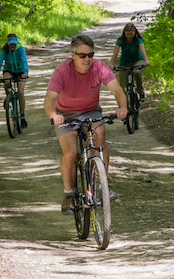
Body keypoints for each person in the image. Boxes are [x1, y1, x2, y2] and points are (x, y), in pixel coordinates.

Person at [45, 35, 128, 214]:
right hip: (65, 115)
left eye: (90, 55)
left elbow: (116, 89)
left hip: (91, 111)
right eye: (82, 55)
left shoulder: (99, 67)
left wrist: (122, 107)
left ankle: (102, 187)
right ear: (72, 55)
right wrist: (54, 115)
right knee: (71, 153)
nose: (87, 59)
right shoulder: (62, 71)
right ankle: (68, 194)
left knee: (99, 140)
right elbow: (50, 99)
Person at [0, 33, 29, 128]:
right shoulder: (5, 50)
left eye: (14, 43)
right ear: (7, 43)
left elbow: (24, 61)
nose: (12, 45)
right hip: (9, 70)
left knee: (20, 92)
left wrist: (25, 73)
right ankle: (8, 97)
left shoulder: (21, 49)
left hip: (20, 71)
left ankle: (22, 117)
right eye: (10, 44)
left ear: (16, 42)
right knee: (6, 82)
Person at [109, 22, 150, 101]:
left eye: (131, 34)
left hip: (137, 61)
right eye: (127, 34)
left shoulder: (138, 40)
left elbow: (142, 51)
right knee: (123, 83)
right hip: (125, 63)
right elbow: (115, 53)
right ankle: (124, 102)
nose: (129, 36)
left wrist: (146, 61)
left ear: (135, 33)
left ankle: (140, 92)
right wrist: (111, 64)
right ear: (124, 33)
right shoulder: (121, 40)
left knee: (136, 72)